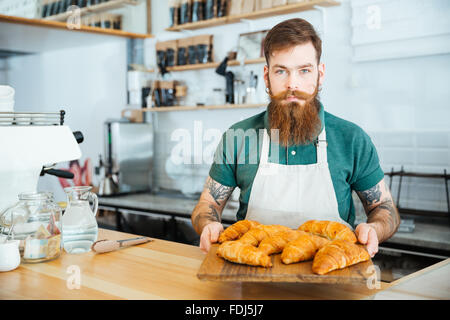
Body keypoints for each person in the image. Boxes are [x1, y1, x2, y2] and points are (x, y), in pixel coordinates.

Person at [191, 18, 400, 257]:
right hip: (252, 281)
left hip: (333, 282)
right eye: (281, 71)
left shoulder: (352, 139)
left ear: (320, 74)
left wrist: (374, 228)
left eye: (304, 70)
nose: (293, 84)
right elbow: (208, 205)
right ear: (267, 76)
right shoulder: (238, 138)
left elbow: (384, 208)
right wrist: (209, 225)